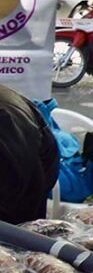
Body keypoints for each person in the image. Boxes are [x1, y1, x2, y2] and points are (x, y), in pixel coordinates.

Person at [0, 85, 59, 224]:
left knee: (20, 234)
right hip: (22, 157)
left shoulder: (4, 122)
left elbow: (17, 187)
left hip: (25, 179)